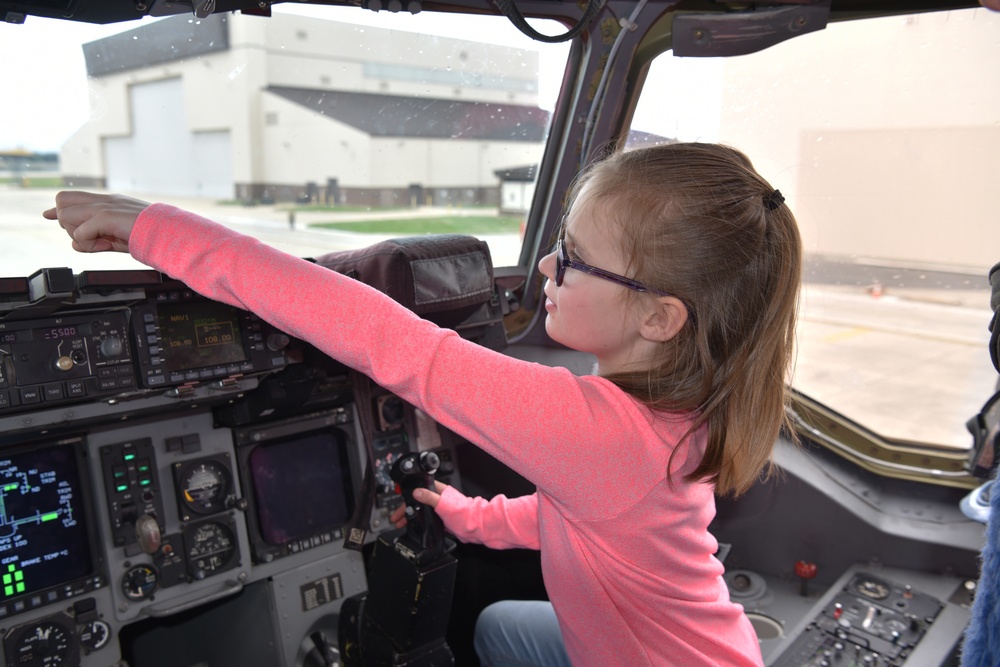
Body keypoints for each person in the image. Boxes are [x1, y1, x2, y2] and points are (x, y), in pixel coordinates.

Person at [44, 142, 802, 667]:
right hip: (693, 645)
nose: (545, 264)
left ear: (659, 318)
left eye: (571, 258)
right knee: (503, 627)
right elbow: (579, 516)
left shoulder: (600, 433)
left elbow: (387, 340)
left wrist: (152, 227)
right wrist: (471, 516)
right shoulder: (671, 409)